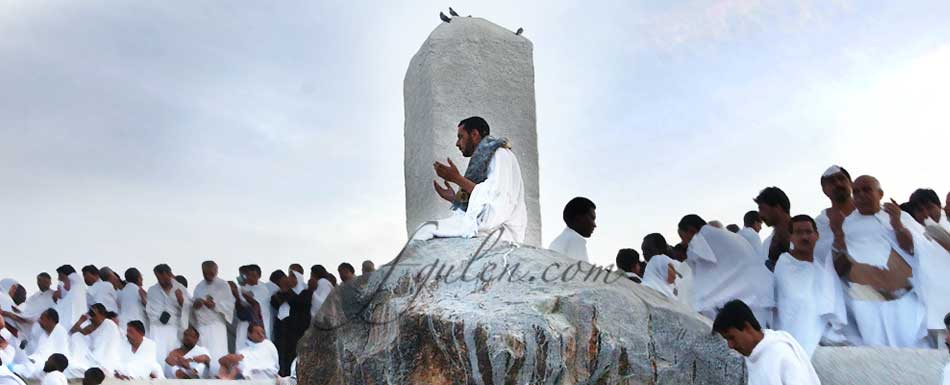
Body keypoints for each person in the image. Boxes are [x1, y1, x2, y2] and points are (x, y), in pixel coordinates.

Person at [829, 175, 927, 348]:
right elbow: (838, 267)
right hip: (866, 299)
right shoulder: (847, 224)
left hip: (903, 296)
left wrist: (896, 223)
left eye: (866, 190)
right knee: (877, 351)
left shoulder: (899, 216)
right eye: (856, 191)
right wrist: (838, 234)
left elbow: (914, 249)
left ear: (880, 194)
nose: (860, 195)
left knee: (912, 345)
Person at [414, 116, 528, 243]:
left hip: (500, 231)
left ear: (474, 134)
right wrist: (454, 198)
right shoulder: (485, 157)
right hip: (488, 229)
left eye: (460, 137)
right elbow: (483, 198)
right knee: (424, 229)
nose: (457, 143)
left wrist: (457, 179)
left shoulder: (500, 154)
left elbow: (496, 200)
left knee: (425, 229)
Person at [678, 214, 775, 326]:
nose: (684, 243)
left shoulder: (703, 237)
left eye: (683, 237)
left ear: (691, 230)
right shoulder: (727, 236)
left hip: (748, 298)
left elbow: (695, 265)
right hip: (758, 293)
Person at [773, 215, 847, 356]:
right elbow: (796, 302)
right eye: (799, 232)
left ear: (817, 235)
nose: (804, 237)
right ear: (791, 237)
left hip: (822, 341)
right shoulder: (785, 264)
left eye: (808, 232)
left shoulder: (821, 268)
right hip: (793, 337)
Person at [713, 300, 821, 385]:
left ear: (747, 327)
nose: (730, 345)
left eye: (732, 338)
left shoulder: (782, 353)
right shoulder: (753, 355)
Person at [192, 261, 235, 369]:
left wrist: (214, 305)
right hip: (202, 326)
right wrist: (197, 304)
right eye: (205, 273)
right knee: (203, 352)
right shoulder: (199, 287)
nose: (208, 276)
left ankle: (218, 376)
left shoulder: (223, 285)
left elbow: (229, 305)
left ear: (216, 271)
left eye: (211, 273)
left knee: (217, 353)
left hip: (217, 325)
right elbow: (193, 305)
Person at [270, 274, 315, 376]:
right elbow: (274, 302)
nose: (288, 280)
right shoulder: (281, 293)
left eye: (292, 277)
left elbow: (297, 302)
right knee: (281, 354)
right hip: (283, 329)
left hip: (298, 331)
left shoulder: (305, 292)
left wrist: (287, 292)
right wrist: (283, 291)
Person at [64, 304, 121, 379]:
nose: (90, 316)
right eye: (90, 313)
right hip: (90, 356)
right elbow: (72, 333)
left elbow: (102, 348)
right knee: (77, 336)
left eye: (93, 314)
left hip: (102, 361)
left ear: (102, 315)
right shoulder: (92, 326)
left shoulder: (109, 325)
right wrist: (80, 321)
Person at [11, 309, 69, 380]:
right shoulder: (38, 327)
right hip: (32, 356)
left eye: (42, 318)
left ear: (50, 320)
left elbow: (60, 353)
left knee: (31, 366)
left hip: (48, 361)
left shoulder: (60, 331)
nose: (39, 320)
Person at [146, 264, 187, 361]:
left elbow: (190, 309)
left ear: (169, 274)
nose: (160, 280)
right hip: (157, 328)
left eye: (162, 277)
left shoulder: (180, 288)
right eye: (157, 278)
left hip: (174, 328)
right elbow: (149, 309)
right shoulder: (152, 290)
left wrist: (181, 300)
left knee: (173, 356)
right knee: (157, 355)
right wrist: (158, 317)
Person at [234, 265, 272, 348]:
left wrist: (241, 294)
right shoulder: (243, 287)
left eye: (253, 275)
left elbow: (254, 303)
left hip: (259, 324)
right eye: (248, 275)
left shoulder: (263, 288)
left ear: (258, 276)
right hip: (244, 324)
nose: (250, 278)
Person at [549, 197, 596, 262]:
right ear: (579, 218)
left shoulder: (558, 241)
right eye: (592, 218)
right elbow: (582, 271)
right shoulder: (575, 240)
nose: (594, 225)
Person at [755, 187, 792, 271]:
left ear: (777, 208)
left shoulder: (807, 235)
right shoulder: (767, 244)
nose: (760, 215)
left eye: (762, 209)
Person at [640, 233, 679, 300]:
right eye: (643, 251)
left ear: (661, 249)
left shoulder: (659, 260)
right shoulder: (649, 270)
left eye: (648, 250)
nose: (644, 254)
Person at [116, 268, 147, 340]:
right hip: (138, 327)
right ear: (138, 278)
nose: (142, 278)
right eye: (141, 276)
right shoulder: (140, 291)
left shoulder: (121, 292)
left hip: (123, 325)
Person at [53, 265, 86, 330]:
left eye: (60, 275)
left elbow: (62, 292)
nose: (58, 278)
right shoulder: (78, 282)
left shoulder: (74, 280)